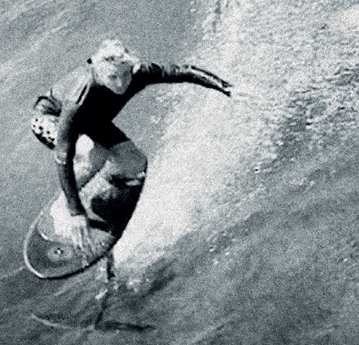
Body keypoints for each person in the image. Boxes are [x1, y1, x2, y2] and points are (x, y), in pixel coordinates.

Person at [30, 39, 231, 252]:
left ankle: (99, 187)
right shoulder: (81, 94)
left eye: (125, 75)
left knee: (135, 163)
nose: (120, 83)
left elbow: (182, 72)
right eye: (112, 77)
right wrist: (75, 210)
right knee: (96, 153)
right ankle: (61, 206)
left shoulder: (138, 74)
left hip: (92, 121)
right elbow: (63, 154)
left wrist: (226, 88)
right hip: (51, 119)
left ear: (132, 67)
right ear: (98, 71)